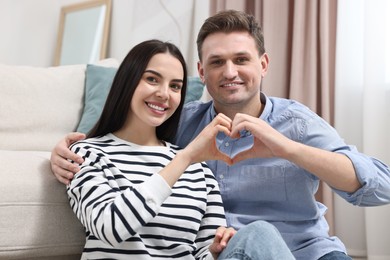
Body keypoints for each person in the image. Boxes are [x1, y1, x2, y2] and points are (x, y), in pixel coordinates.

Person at [51, 10, 390, 260]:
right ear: (202, 71)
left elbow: (381, 186)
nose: (230, 72)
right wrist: (63, 148)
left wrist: (287, 148)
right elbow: (123, 126)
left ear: (263, 64)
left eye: (241, 59)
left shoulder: (297, 123)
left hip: (309, 252)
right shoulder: (182, 127)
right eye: (217, 62)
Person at [64, 39, 295, 260]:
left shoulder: (200, 172)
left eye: (175, 86)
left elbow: (203, 250)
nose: (164, 94)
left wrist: (214, 251)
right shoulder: (87, 154)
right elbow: (110, 227)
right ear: (128, 81)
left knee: (259, 234)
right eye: (152, 79)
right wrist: (184, 158)